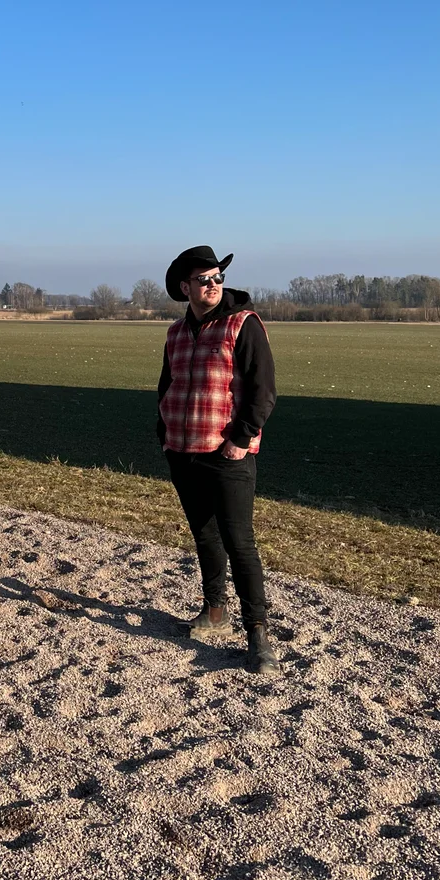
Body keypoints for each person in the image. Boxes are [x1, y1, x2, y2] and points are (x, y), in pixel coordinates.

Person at [157, 246, 281, 674]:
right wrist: (165, 436)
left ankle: (258, 635)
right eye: (203, 280)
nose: (212, 286)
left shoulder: (242, 324)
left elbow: (263, 390)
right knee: (204, 536)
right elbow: (167, 385)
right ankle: (214, 611)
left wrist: (241, 438)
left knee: (239, 542)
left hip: (227, 452)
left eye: (217, 279)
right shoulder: (175, 332)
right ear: (184, 287)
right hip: (182, 451)